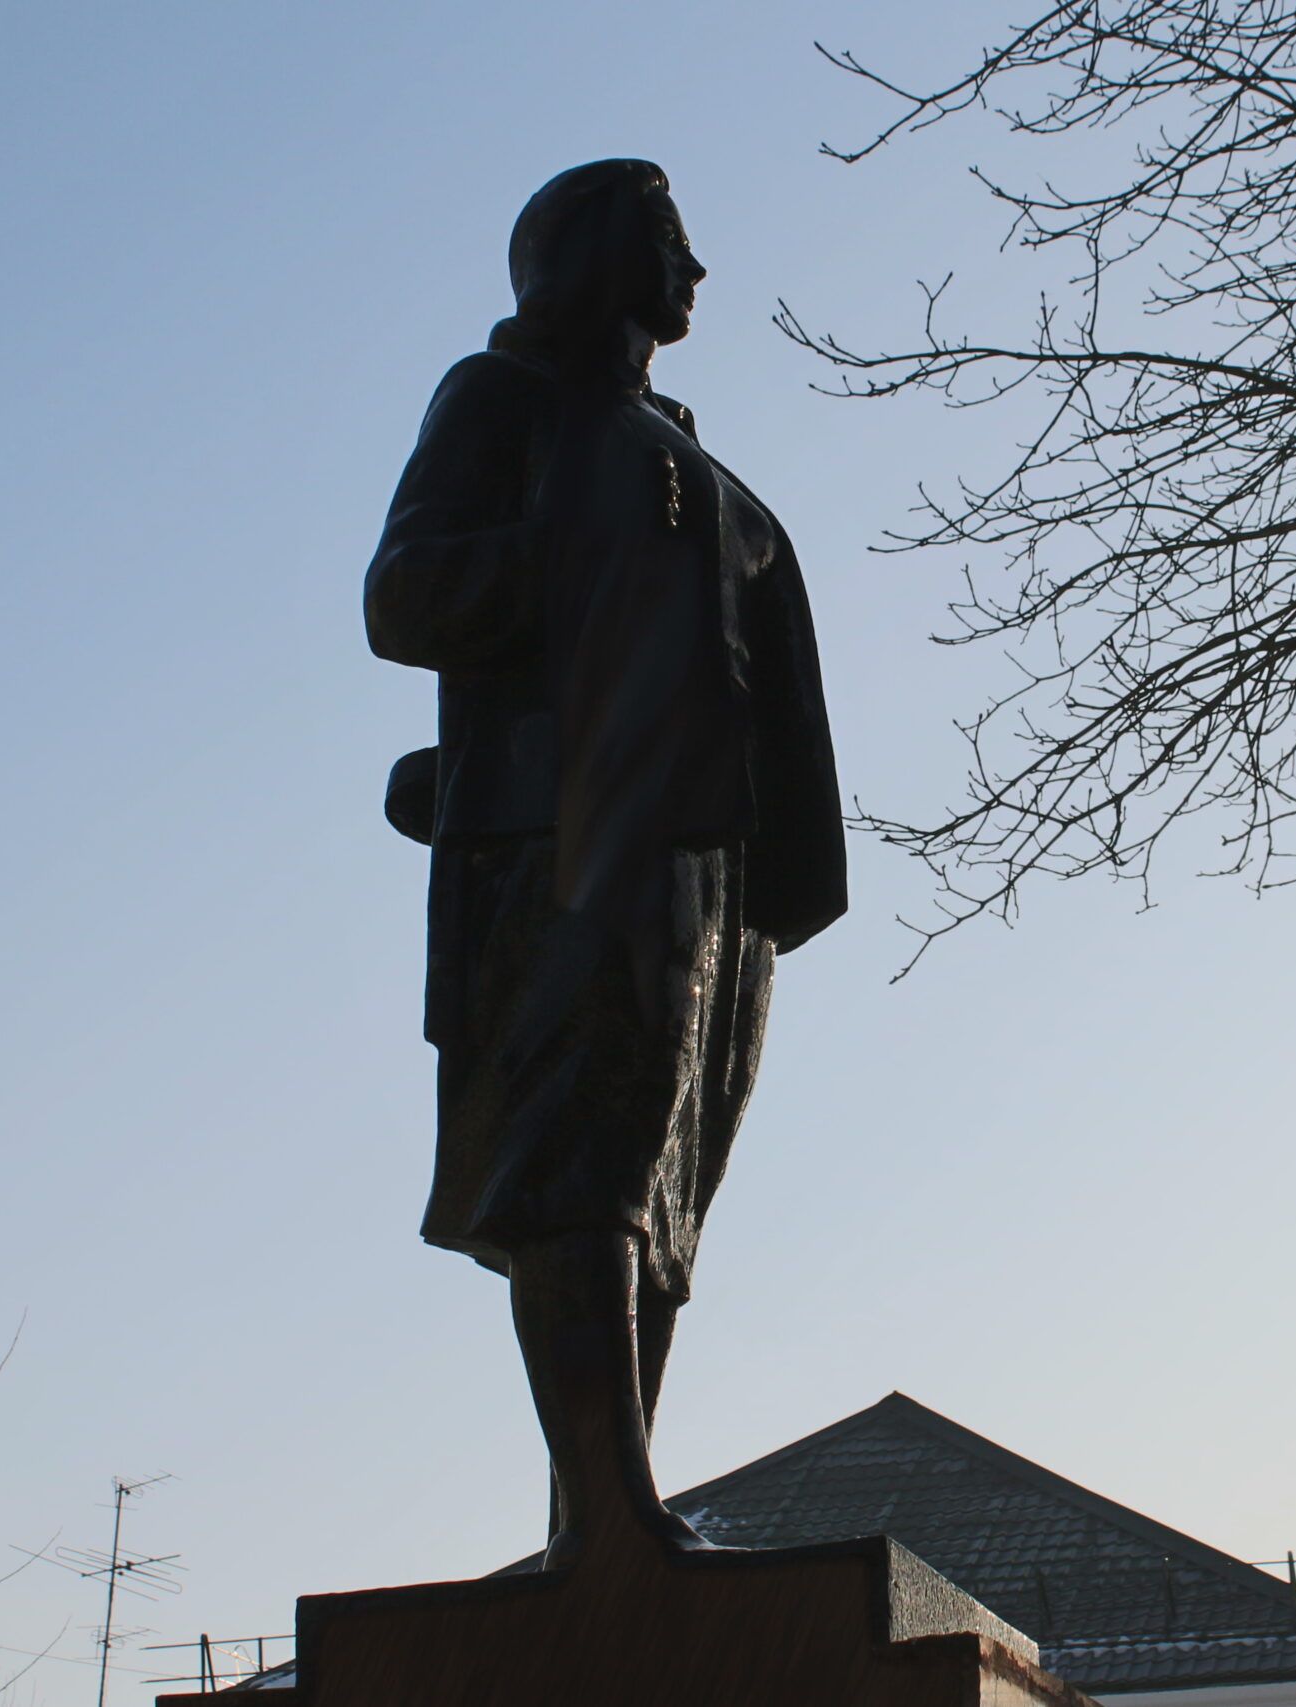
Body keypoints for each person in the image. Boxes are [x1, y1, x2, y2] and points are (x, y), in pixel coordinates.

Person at [364, 159, 845, 1565]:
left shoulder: (677, 447)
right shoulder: (501, 400)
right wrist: (589, 556)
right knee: (583, 1175)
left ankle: (599, 1526)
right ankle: (613, 1522)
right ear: (594, 257)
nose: (696, 270)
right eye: (670, 241)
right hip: (576, 842)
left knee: (662, 1204)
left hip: (715, 871)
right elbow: (404, 594)